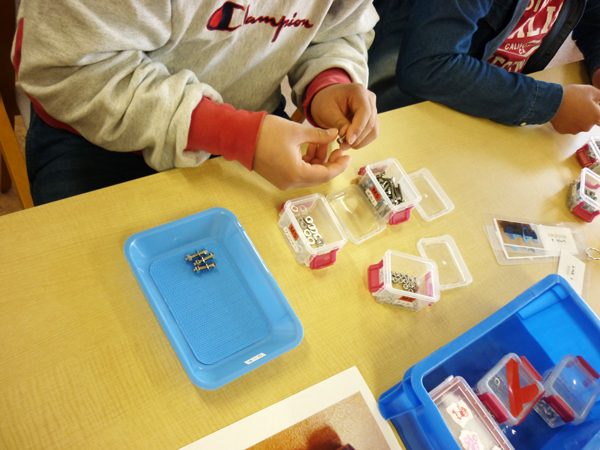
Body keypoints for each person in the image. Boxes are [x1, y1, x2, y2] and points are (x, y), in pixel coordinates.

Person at [13, 1, 380, 205]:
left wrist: (329, 81)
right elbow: (66, 71)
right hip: (95, 136)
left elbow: (339, 28)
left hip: (252, 129)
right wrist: (234, 133)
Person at [368, 0, 600, 134]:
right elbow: (427, 67)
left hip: (492, 100)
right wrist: (549, 104)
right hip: (404, 107)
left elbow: (595, 21)